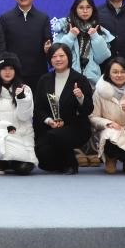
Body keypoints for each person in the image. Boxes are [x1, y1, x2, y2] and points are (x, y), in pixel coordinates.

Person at [33, 44, 94, 175]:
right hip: (51, 126)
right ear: (50, 59)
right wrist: (49, 121)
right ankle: (62, 162)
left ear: (68, 57)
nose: (58, 59)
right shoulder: (44, 80)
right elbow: (38, 108)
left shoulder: (80, 79)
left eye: (61, 56)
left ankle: (71, 163)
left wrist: (81, 98)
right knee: (43, 157)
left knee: (57, 135)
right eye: (54, 56)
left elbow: (88, 109)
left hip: (75, 127)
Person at [90, 57, 125, 174]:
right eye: (115, 72)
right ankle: (110, 158)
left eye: (123, 71)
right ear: (108, 73)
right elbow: (93, 117)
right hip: (110, 131)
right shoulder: (100, 92)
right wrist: (108, 123)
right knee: (110, 137)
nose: (119, 75)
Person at [0, 52, 37, 175]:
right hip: (0, 134)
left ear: (16, 70)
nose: (7, 72)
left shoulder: (26, 90)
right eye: (4, 69)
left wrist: (21, 99)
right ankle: (1, 160)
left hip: (22, 135)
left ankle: (10, 161)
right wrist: (6, 126)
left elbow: (25, 117)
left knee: (24, 169)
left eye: (11, 68)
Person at [0, 0, 52, 89]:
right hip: (14, 75)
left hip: (38, 73)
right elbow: (2, 48)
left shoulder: (43, 18)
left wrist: (48, 49)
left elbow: (48, 45)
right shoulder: (5, 18)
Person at [52, 0, 113, 84]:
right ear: (75, 9)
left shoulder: (98, 29)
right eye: (81, 7)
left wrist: (95, 37)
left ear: (93, 9)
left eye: (88, 7)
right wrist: (70, 36)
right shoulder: (66, 26)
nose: (85, 11)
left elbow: (101, 58)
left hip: (91, 79)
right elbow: (57, 53)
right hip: (67, 77)